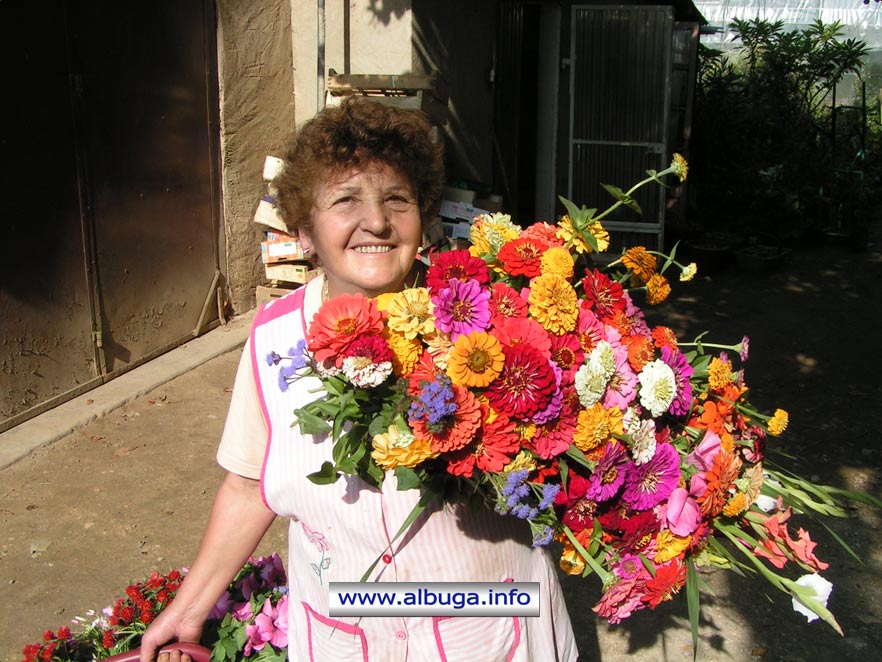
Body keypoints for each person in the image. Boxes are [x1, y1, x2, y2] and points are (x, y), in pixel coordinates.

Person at [140, 97, 578, 662]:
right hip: (346, 634)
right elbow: (250, 486)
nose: (376, 221)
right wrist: (190, 607)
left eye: (397, 199)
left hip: (487, 625)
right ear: (303, 231)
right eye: (346, 200)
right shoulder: (274, 341)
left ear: (422, 214)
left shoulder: (485, 321)